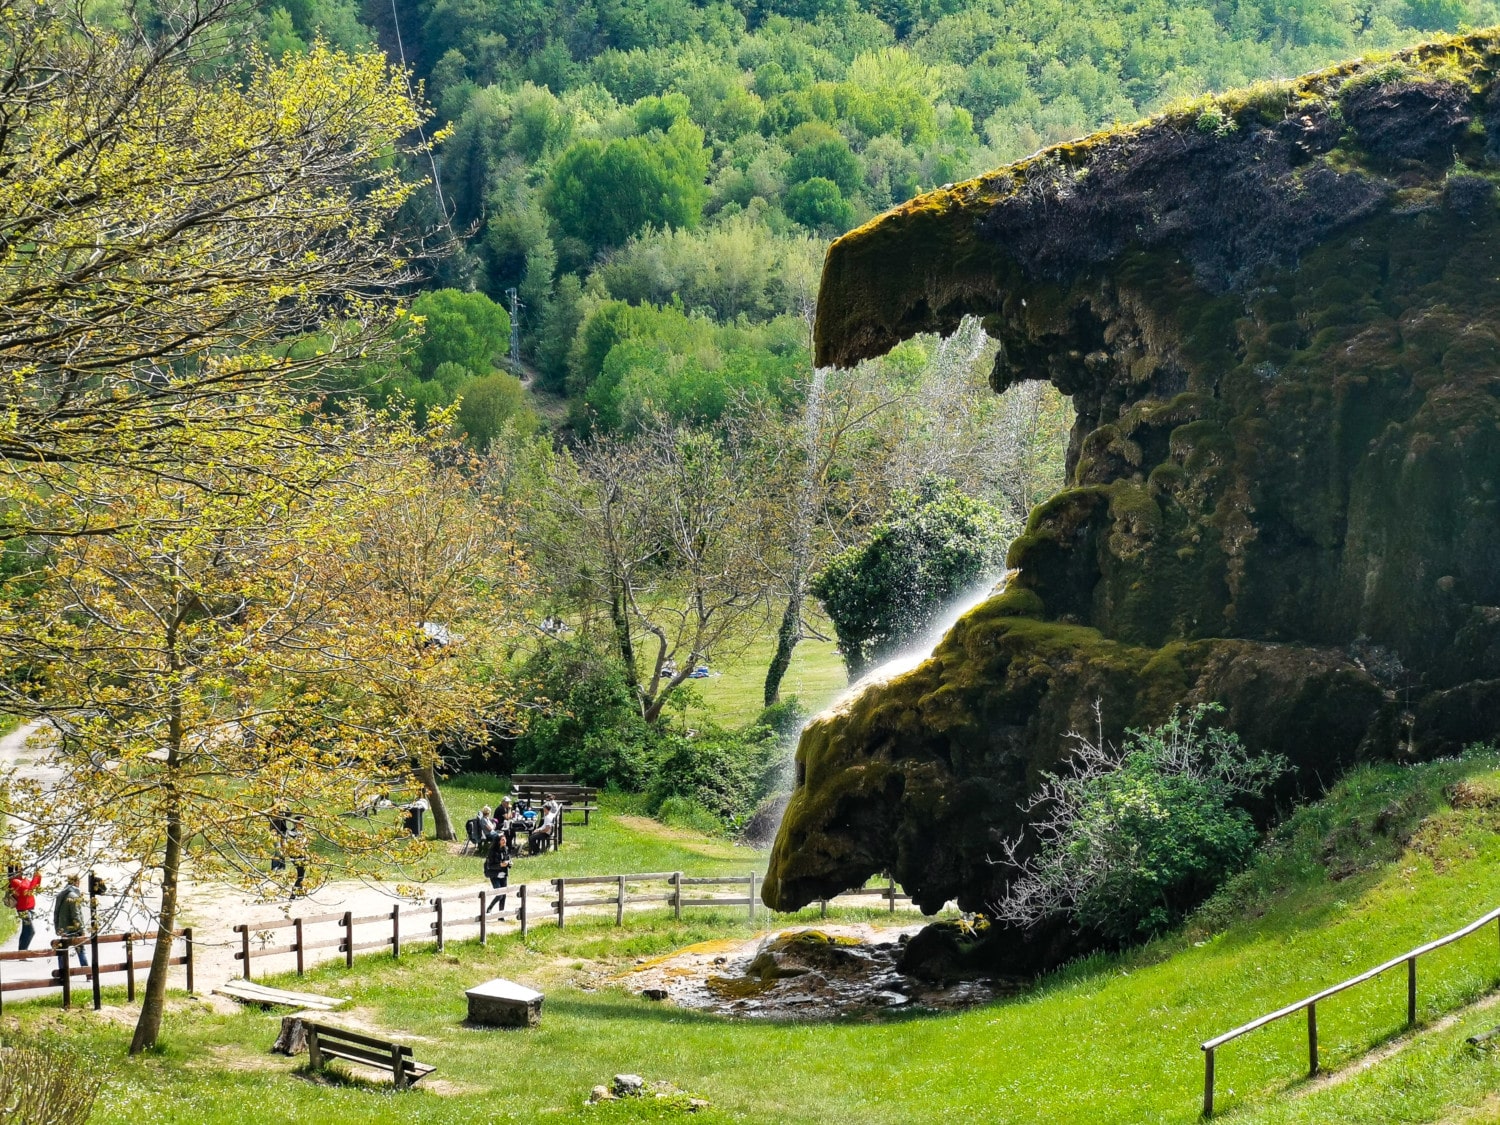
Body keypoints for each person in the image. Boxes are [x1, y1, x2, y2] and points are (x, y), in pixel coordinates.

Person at [53, 874, 87, 967]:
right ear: (76, 882)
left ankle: (62, 974)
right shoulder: (73, 896)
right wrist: (81, 929)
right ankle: (87, 972)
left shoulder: (62, 895)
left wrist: (57, 928)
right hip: (74, 929)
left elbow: (56, 912)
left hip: (63, 929)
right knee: (81, 950)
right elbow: (76, 914)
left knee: (62, 951)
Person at [7, 865, 40, 950]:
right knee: (30, 931)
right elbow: (28, 890)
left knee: (26, 931)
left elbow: (35, 886)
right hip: (23, 909)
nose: (22, 870)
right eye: (20, 868)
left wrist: (38, 876)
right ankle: (22, 951)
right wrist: (35, 876)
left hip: (29, 908)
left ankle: (22, 951)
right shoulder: (14, 881)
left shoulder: (23, 880)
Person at [483, 834, 512, 917]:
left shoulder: (505, 849)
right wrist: (500, 865)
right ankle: (490, 908)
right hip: (494, 875)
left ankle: (501, 914)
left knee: (504, 895)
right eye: (502, 840)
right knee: (500, 895)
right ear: (498, 841)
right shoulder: (492, 852)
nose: (504, 841)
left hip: (503, 874)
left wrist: (509, 863)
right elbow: (489, 866)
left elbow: (508, 859)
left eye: (505, 839)